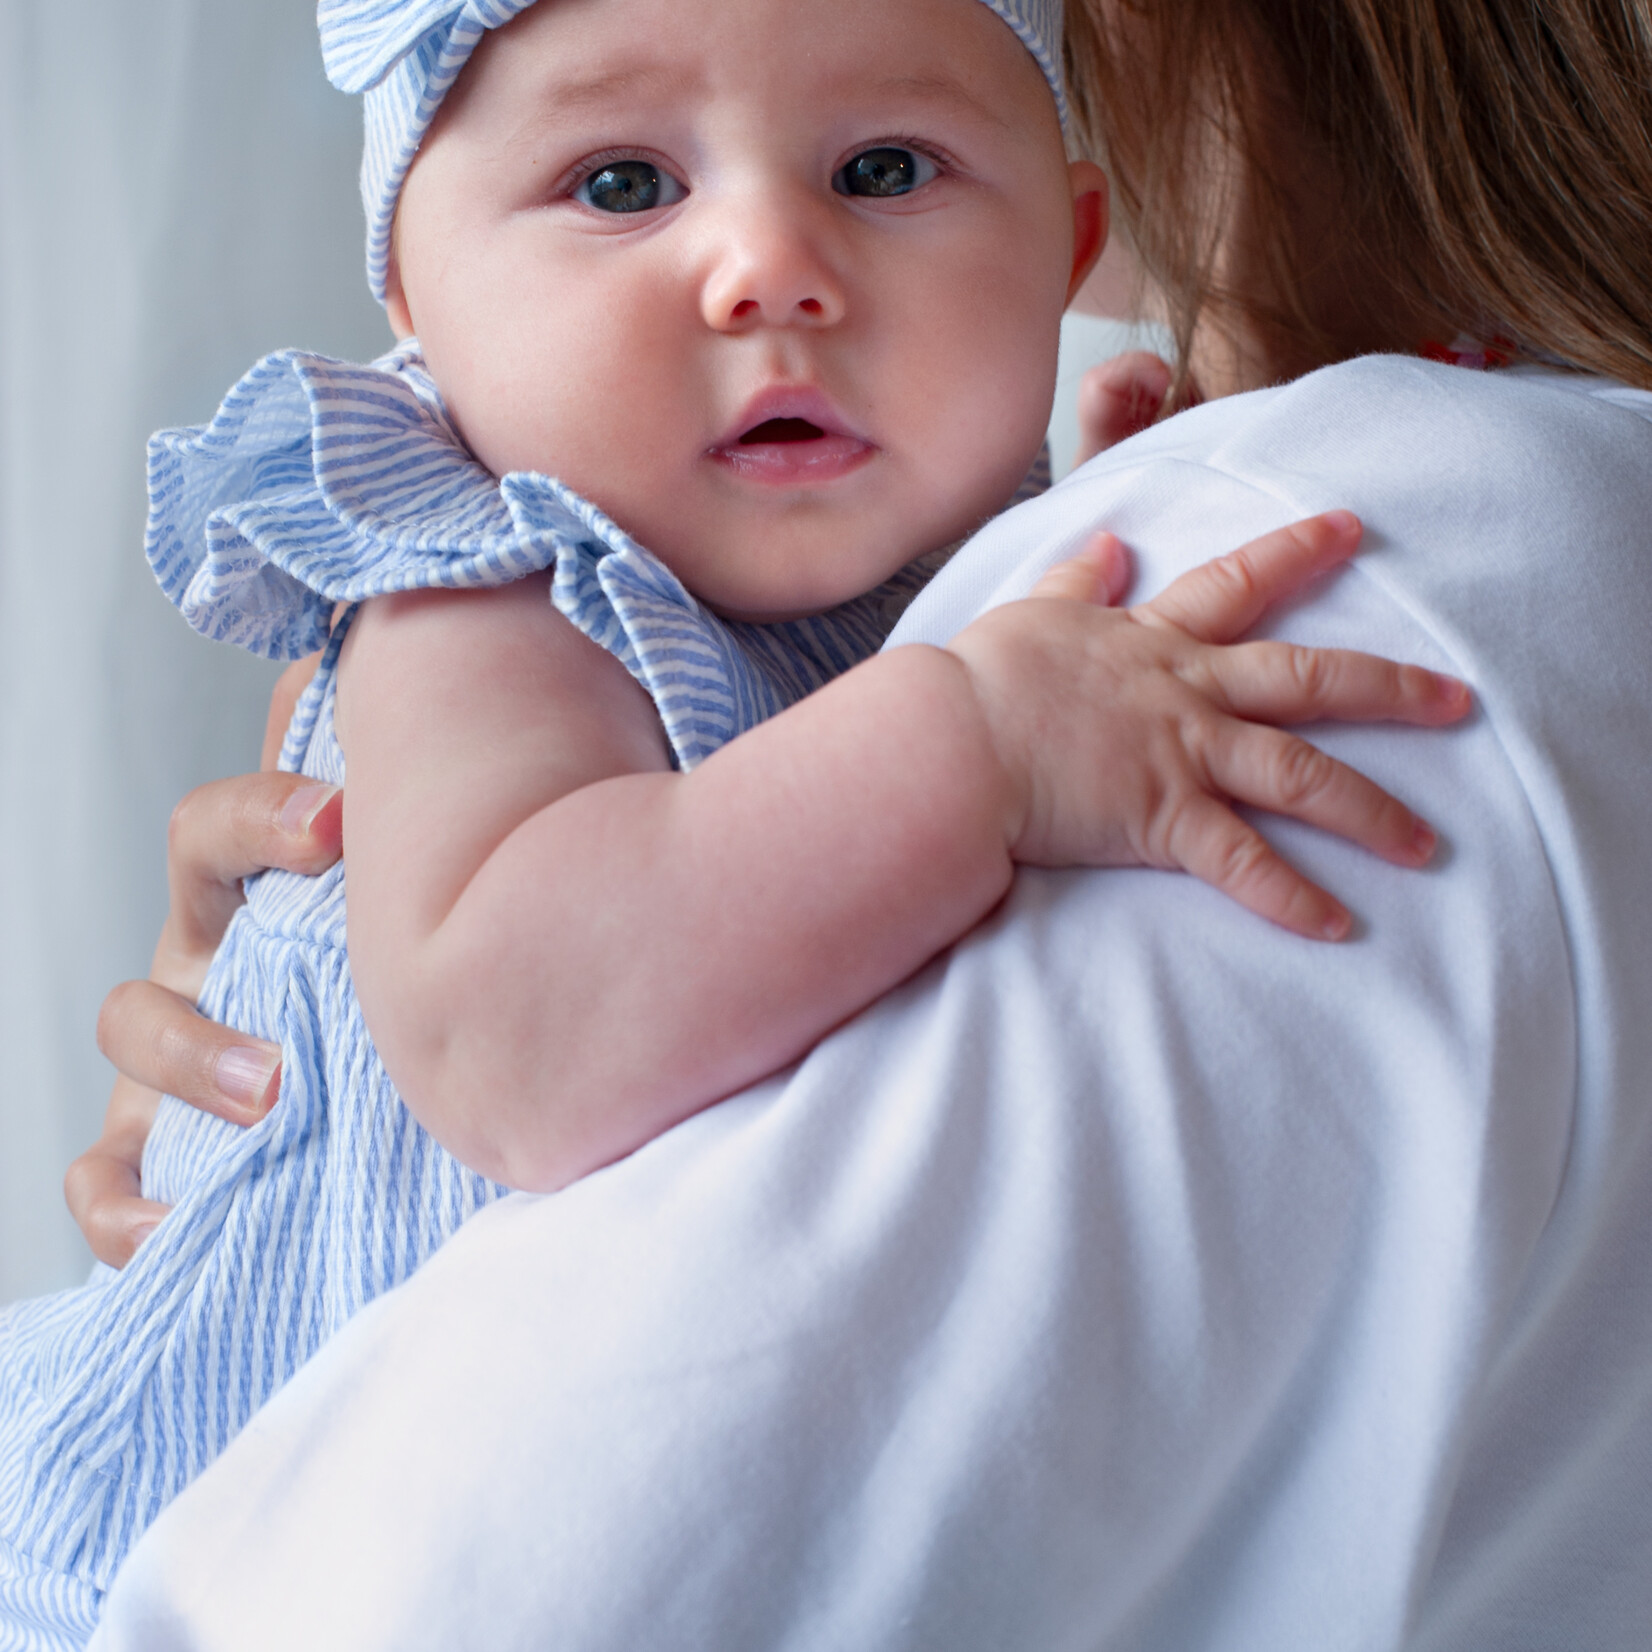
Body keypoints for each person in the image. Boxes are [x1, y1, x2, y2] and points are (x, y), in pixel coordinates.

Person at [75, 0, 1652, 1645]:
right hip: (215, 1509)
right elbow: (518, 1035)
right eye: (620, 184)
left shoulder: (948, 539)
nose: (771, 265)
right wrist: (979, 733)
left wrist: (1097, 538)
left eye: (885, 167)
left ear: (1065, 241)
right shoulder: (498, 593)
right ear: (411, 282)